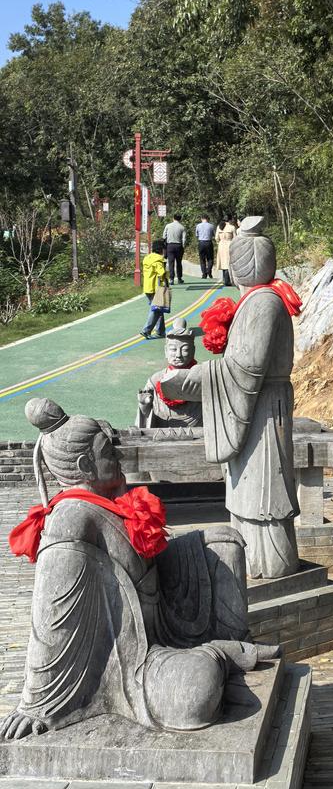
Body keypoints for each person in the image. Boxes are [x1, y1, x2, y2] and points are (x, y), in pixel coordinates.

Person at [1, 397, 279, 739]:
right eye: (108, 452)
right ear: (86, 464)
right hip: (132, 660)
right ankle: (221, 654)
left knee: (225, 542)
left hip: (165, 617)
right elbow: (48, 620)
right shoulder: (71, 520)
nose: (118, 458)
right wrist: (34, 702)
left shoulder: (105, 504)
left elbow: (150, 558)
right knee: (194, 694)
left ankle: (233, 646)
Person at [160, 217, 303, 579]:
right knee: (248, 491)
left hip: (262, 408)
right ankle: (251, 561)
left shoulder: (263, 303)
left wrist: (197, 379)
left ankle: (269, 565)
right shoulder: (262, 299)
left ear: (238, 268)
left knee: (264, 493)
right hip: (254, 402)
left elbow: (246, 368)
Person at [136, 318, 202, 428]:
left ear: (193, 351)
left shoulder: (201, 378)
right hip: (162, 433)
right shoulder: (155, 380)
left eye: (185, 349)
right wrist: (144, 406)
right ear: (166, 351)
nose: (178, 355)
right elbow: (144, 422)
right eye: (173, 349)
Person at [140, 239, 168, 340]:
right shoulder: (158, 260)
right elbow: (162, 273)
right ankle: (146, 330)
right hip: (156, 288)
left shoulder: (147, 258)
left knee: (159, 310)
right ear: (161, 249)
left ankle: (160, 331)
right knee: (156, 310)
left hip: (148, 287)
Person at [162, 213, 187, 284]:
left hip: (170, 246)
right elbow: (184, 239)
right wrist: (183, 246)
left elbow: (164, 236)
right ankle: (179, 278)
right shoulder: (182, 227)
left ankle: (171, 279)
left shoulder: (168, 226)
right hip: (179, 246)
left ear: (173, 218)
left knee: (171, 262)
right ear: (180, 219)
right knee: (179, 262)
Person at [215, 215, 236, 287]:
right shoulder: (232, 227)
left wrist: (219, 242)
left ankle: (224, 279)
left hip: (221, 245)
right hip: (229, 244)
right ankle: (228, 280)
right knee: (228, 262)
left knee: (222, 262)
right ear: (229, 220)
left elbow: (216, 238)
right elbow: (235, 238)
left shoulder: (219, 226)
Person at [195, 214, 216, 279]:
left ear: (201, 219)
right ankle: (209, 271)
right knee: (210, 258)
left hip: (201, 242)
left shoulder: (198, 226)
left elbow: (196, 234)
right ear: (208, 219)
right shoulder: (211, 226)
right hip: (209, 242)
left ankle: (204, 274)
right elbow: (213, 234)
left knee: (202, 259)